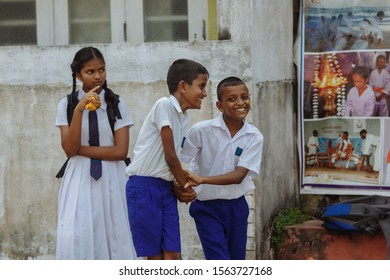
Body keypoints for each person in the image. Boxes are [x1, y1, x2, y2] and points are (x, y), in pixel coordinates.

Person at [55, 47, 136, 259]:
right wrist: (80, 109)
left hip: (111, 176)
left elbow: (120, 151)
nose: (98, 76)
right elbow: (68, 147)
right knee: (78, 233)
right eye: (90, 71)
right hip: (79, 177)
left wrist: (78, 151)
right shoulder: (67, 104)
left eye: (102, 69)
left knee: (115, 232)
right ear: (78, 75)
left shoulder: (117, 103)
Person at [125, 59, 209, 260]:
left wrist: (176, 184)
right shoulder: (164, 105)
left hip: (165, 188)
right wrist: (186, 185)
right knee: (155, 258)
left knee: (173, 255)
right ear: (182, 87)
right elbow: (170, 156)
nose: (204, 93)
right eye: (201, 86)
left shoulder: (183, 117)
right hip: (144, 188)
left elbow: (169, 161)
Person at [178, 76, 264, 260]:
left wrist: (203, 179)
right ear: (219, 105)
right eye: (232, 99)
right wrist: (181, 186)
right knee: (218, 260)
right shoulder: (201, 130)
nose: (240, 103)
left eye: (245, 97)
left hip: (236, 208)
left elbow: (239, 175)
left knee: (236, 261)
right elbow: (179, 159)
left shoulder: (254, 136)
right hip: (205, 207)